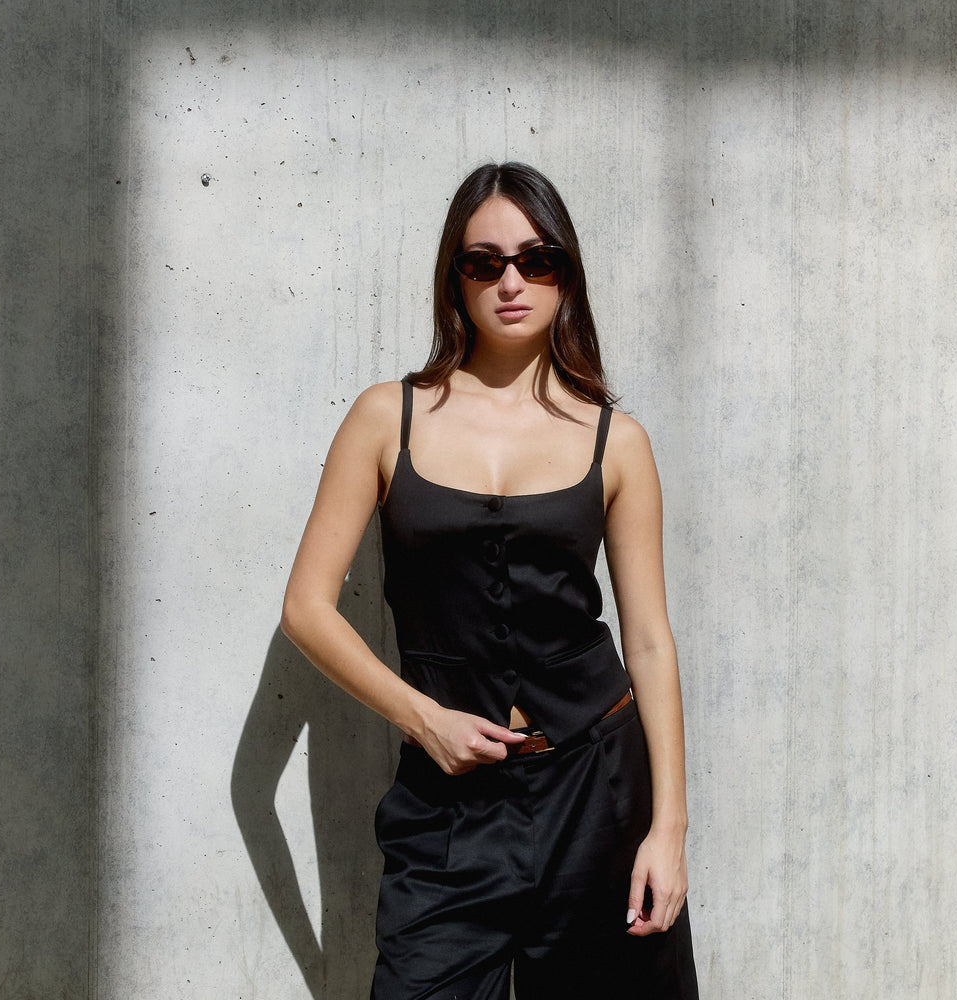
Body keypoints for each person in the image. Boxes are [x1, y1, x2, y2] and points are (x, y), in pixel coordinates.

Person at [281, 162, 699, 999]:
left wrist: (668, 831)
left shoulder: (617, 441)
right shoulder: (386, 417)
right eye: (485, 263)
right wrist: (422, 719)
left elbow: (650, 642)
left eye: (536, 260)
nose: (512, 282)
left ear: (565, 276)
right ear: (456, 279)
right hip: (448, 809)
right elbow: (306, 609)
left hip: (597, 794)